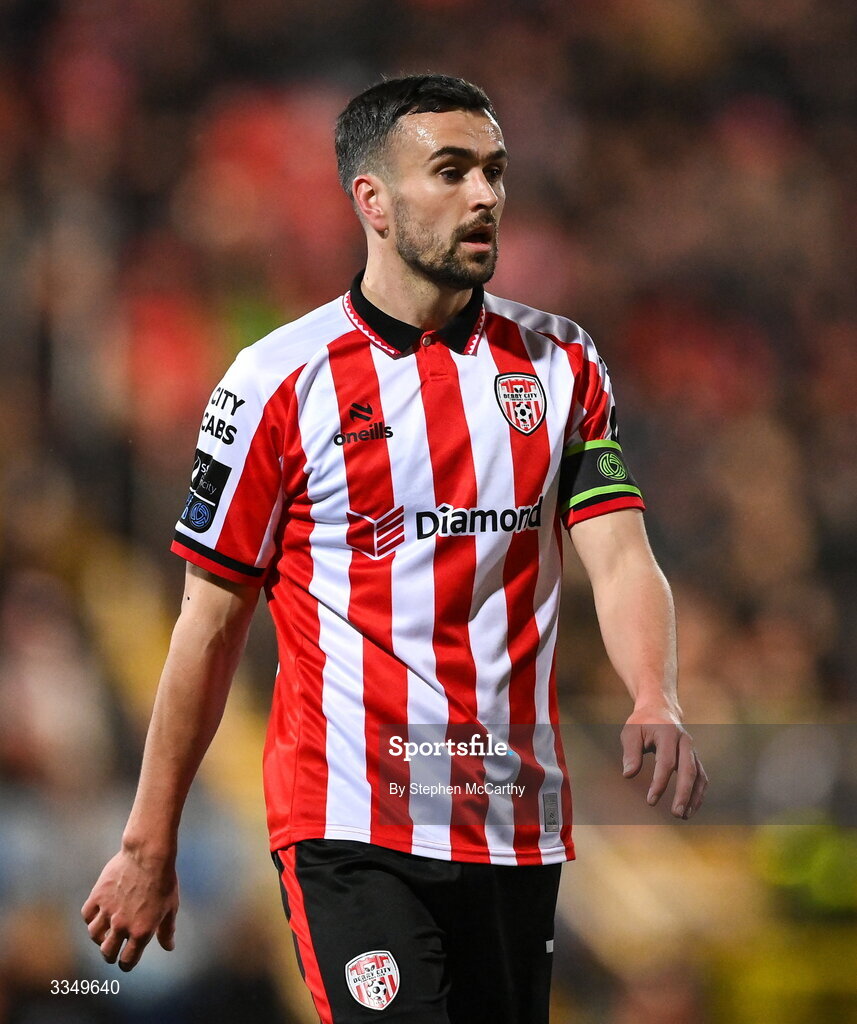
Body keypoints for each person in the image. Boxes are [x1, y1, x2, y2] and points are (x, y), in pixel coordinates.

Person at [82, 74, 707, 1023]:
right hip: (348, 828)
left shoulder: (562, 362)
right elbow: (208, 625)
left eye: (494, 172)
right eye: (450, 172)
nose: (485, 196)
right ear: (370, 200)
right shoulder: (273, 383)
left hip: (514, 822)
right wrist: (147, 842)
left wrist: (653, 691)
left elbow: (619, 553)